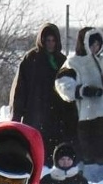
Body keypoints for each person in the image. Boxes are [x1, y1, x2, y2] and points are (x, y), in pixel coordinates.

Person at [54, 27, 103, 184]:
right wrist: (81, 90)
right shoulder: (74, 63)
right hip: (84, 114)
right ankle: (88, 177)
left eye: (97, 45)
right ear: (84, 44)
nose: (95, 48)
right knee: (86, 145)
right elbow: (62, 83)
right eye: (92, 44)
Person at [9, 22, 79, 157]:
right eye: (47, 40)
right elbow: (20, 89)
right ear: (42, 40)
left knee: (53, 152)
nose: (50, 44)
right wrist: (16, 116)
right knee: (35, 149)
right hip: (35, 113)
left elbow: (68, 89)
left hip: (57, 116)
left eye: (53, 40)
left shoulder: (62, 61)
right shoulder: (31, 59)